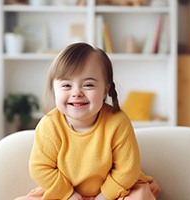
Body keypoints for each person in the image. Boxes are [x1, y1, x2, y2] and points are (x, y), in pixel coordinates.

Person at [16, 42, 160, 200]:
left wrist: (104, 196)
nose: (76, 92)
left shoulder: (117, 121)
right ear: (54, 88)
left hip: (115, 191)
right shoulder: (49, 125)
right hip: (66, 193)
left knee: (139, 197)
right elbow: (40, 168)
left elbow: (127, 169)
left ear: (105, 90)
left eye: (88, 84)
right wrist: (69, 194)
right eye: (66, 85)